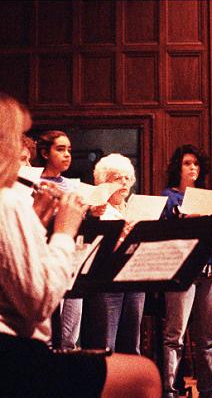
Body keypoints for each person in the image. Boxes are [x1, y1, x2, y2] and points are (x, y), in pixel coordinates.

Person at [0, 91, 161, 397]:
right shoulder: (6, 201)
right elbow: (38, 304)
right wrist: (64, 231)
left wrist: (35, 223)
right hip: (12, 354)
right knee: (145, 375)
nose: (26, 152)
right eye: (18, 139)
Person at [161, 144, 212, 398]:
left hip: (209, 271)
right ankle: (169, 389)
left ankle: (208, 391)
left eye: (196, 164)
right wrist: (184, 222)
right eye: (187, 163)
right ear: (177, 167)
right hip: (182, 271)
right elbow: (164, 233)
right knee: (175, 336)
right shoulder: (169, 197)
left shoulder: (206, 195)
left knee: (207, 338)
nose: (192, 168)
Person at [81, 153, 145, 355]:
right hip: (108, 281)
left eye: (127, 177)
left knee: (132, 341)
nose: (124, 182)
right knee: (107, 342)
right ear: (104, 182)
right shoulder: (98, 211)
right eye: (118, 178)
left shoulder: (136, 209)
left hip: (135, 278)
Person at [35, 130, 83, 349]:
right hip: (46, 253)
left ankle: (68, 354)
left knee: (73, 314)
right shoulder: (34, 182)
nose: (67, 155)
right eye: (60, 149)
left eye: (69, 150)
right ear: (45, 153)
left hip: (73, 254)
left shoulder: (73, 185)